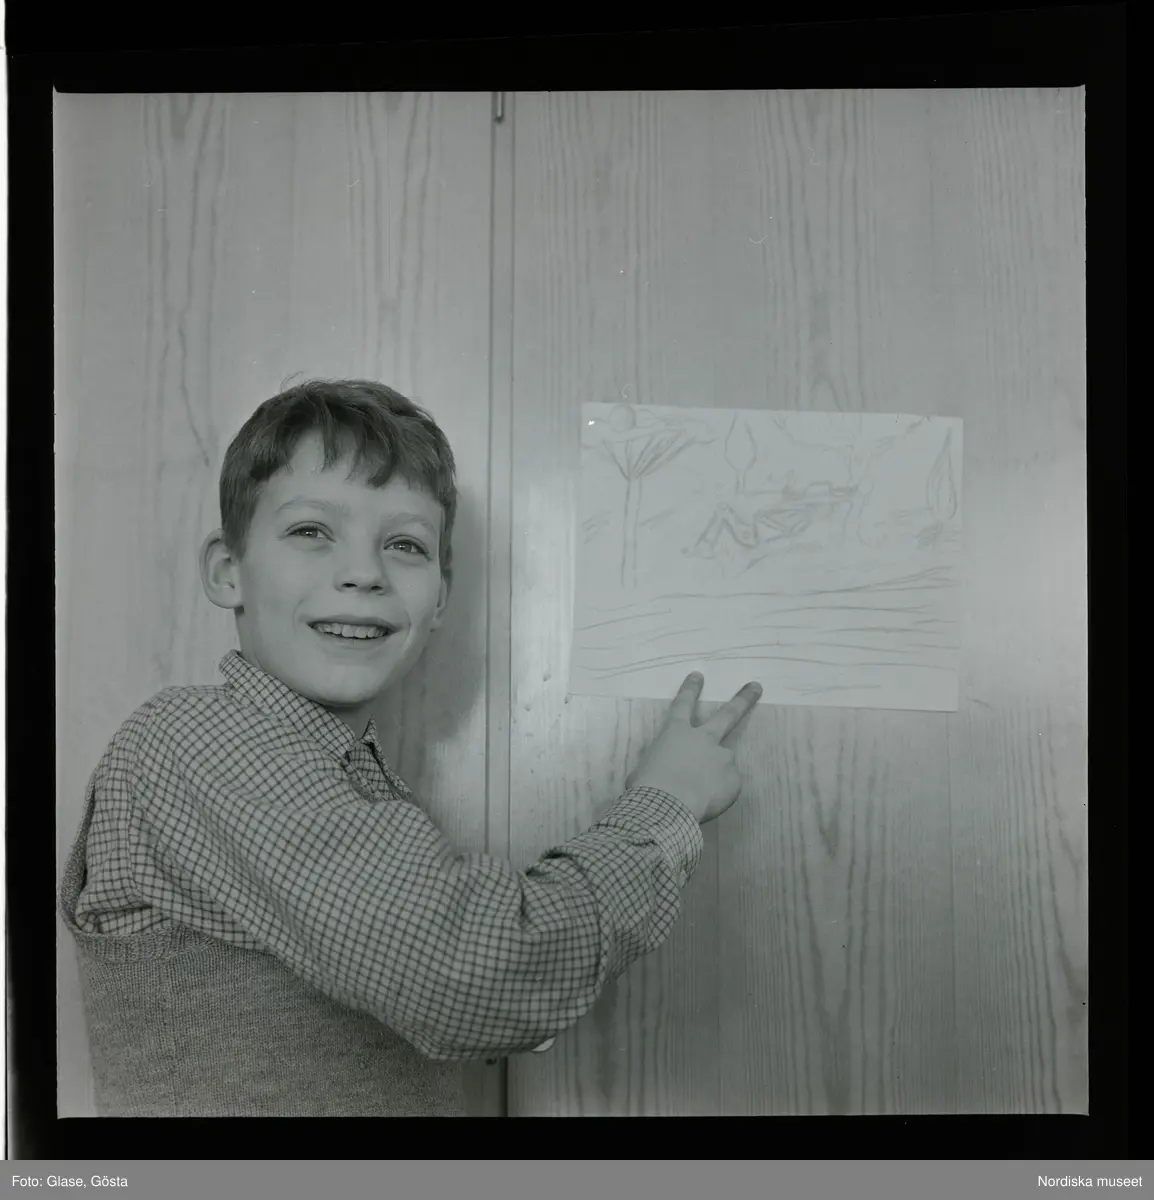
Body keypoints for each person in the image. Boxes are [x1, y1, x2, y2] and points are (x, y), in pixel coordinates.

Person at [59, 379, 762, 1117]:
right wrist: (664, 806)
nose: (364, 573)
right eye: (311, 531)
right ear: (227, 570)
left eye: (405, 545)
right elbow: (478, 976)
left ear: (440, 599)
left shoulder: (345, 783)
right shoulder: (199, 742)